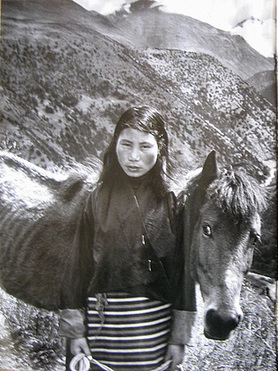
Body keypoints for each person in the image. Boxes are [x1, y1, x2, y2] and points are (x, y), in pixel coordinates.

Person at [59, 106, 196, 371]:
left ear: (161, 148)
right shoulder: (96, 199)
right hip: (101, 335)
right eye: (126, 144)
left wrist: (179, 339)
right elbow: (77, 267)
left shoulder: (173, 203)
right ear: (115, 145)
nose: (134, 157)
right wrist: (75, 332)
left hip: (153, 338)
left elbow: (182, 275)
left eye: (145, 146)